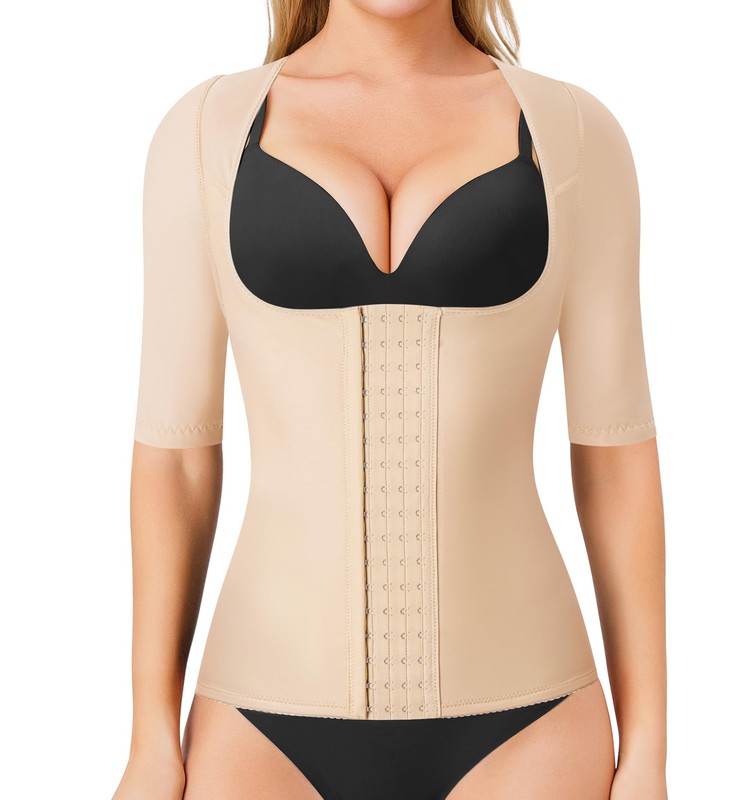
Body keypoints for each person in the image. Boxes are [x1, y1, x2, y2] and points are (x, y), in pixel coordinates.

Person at [113, 1, 668, 798]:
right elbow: (176, 461)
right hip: (260, 724)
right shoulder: (205, 134)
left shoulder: (575, 135)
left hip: (528, 723)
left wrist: (647, 751)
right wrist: (149, 740)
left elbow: (616, 455)